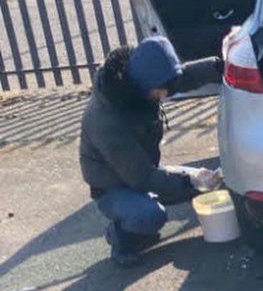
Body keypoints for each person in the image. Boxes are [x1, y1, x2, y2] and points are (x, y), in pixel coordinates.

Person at [80, 36, 223, 266]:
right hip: (114, 188)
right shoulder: (106, 118)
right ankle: (121, 236)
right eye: (161, 88)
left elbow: (184, 76)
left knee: (213, 181)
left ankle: (138, 217)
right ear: (144, 84)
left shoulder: (142, 81)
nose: (166, 93)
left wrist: (221, 66)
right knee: (151, 216)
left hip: (145, 171)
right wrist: (190, 181)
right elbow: (141, 177)